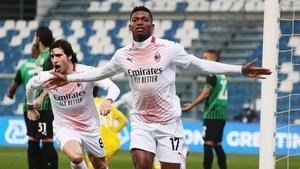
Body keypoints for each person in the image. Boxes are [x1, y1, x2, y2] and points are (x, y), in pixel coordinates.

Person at [43, 6, 271, 169]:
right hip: (141, 121)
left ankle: (180, 155)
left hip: (169, 123)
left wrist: (240, 69)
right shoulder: (123, 55)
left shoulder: (169, 48)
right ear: (129, 25)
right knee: (141, 164)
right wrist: (69, 79)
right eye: (136, 18)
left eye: (144, 18)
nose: (140, 21)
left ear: (152, 25)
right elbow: (99, 72)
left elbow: (201, 64)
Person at [26, 39, 120, 169]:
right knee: (77, 157)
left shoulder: (86, 72)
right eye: (52, 56)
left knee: (101, 166)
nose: (54, 60)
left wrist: (108, 100)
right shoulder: (47, 76)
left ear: (69, 56)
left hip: (90, 127)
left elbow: (113, 87)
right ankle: (78, 164)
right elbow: (30, 86)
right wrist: (31, 107)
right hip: (65, 127)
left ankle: (77, 166)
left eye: (59, 55)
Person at [7, 42, 58, 169]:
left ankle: (34, 166)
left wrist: (11, 94)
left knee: (33, 138)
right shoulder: (44, 64)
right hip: (44, 106)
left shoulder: (23, 66)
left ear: (32, 51)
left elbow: (12, 88)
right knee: (47, 139)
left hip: (28, 107)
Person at [182, 50, 229, 169]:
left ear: (213, 60)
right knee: (217, 144)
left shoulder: (212, 74)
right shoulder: (222, 74)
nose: (203, 60)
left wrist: (192, 105)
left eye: (206, 58)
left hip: (212, 114)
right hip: (221, 114)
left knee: (208, 143)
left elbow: (206, 93)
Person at [83, 86, 128, 169]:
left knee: (93, 166)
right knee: (101, 166)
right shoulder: (105, 104)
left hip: (101, 143)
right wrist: (113, 130)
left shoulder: (85, 106)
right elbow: (124, 120)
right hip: (111, 142)